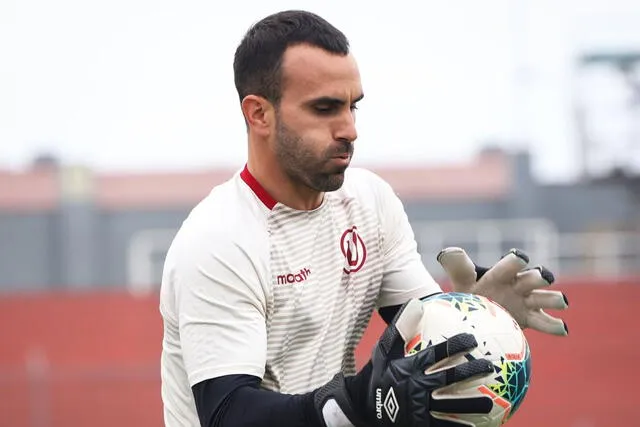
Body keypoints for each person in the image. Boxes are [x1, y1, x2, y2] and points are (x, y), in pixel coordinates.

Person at [159, 9, 569, 427]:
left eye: (352, 106)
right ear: (259, 114)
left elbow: (417, 337)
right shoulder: (219, 240)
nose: (350, 129)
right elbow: (228, 415)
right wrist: (355, 403)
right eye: (325, 108)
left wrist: (472, 321)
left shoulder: (370, 202)